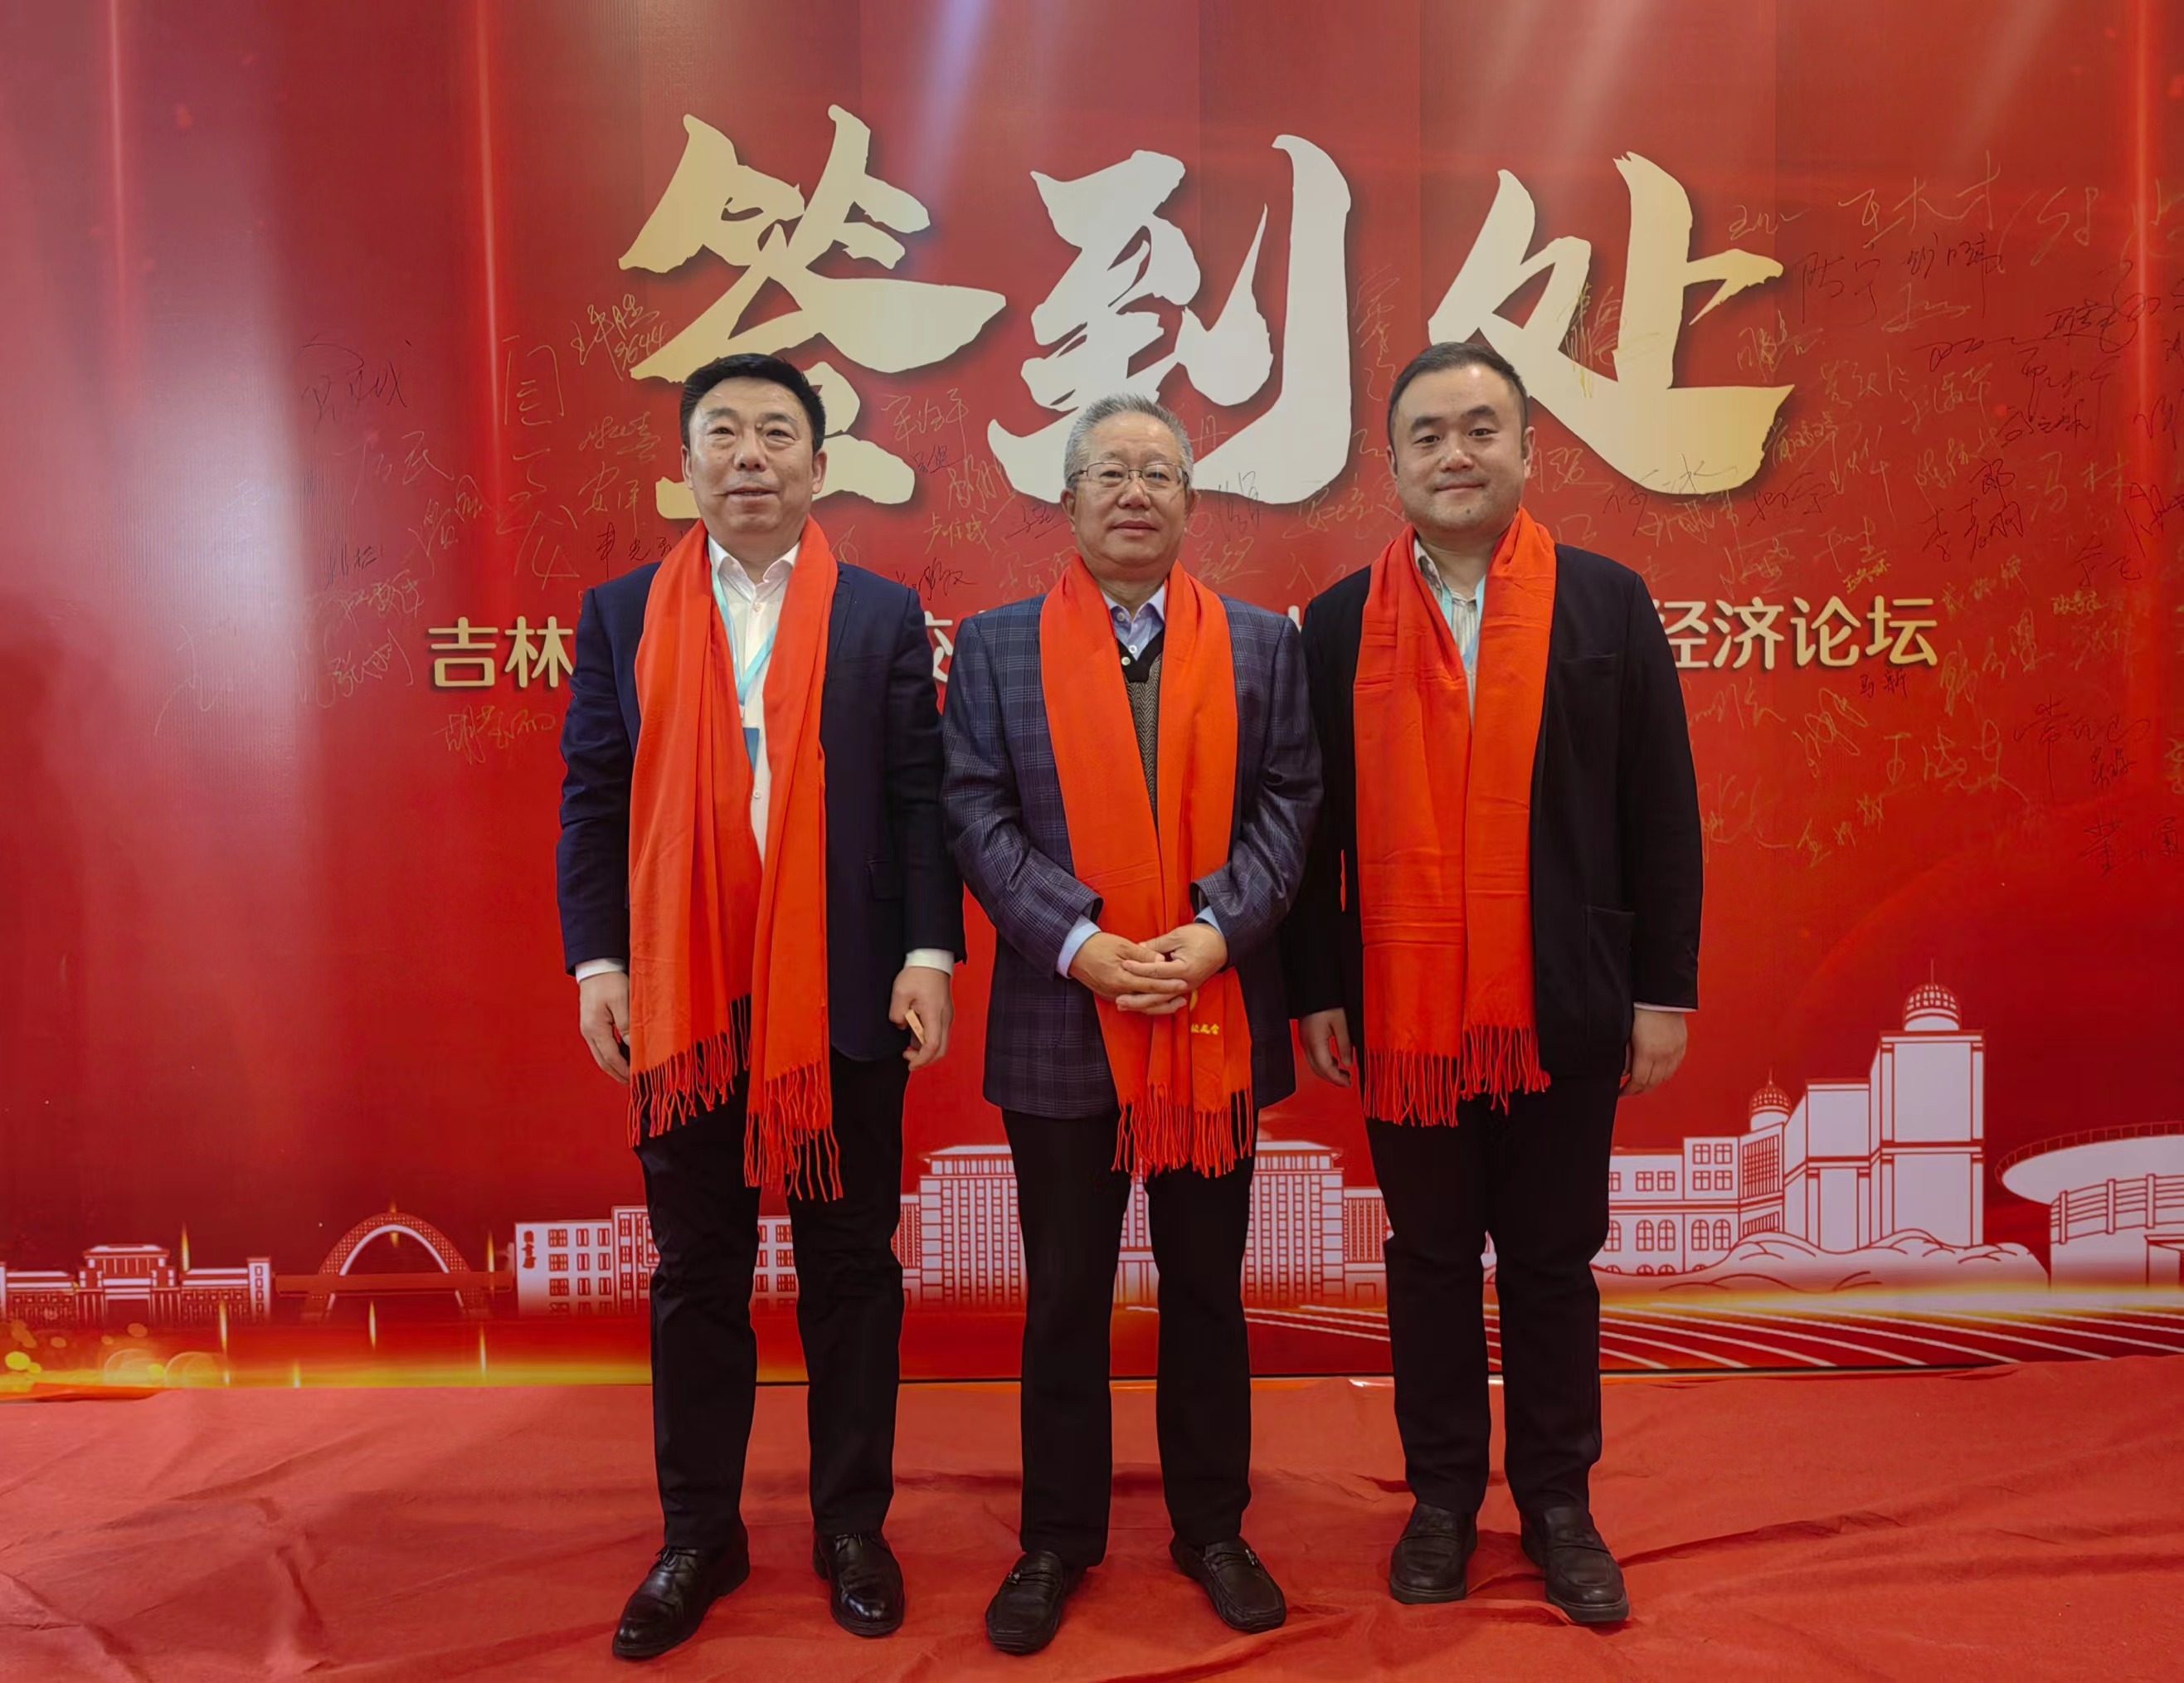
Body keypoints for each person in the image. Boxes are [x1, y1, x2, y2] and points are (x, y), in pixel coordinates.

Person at [1282, 342, 1701, 1625]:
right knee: (1427, 1259)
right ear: (1391, 462)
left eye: (1478, 429)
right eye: (1426, 434)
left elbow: (1659, 806)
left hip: (1562, 997)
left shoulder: (1604, 601)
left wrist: (1661, 989)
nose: (1453, 454)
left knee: (1551, 1261)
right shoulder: (1339, 622)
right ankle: (1443, 1501)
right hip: (1402, 1011)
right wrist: (1317, 986)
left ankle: (1559, 1505)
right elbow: (1312, 827)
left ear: (1525, 449)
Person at [555, 352, 961, 1660]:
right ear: (685, 467)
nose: (748, 455)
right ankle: (699, 1533)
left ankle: (851, 1526)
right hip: (685, 1000)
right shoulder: (620, 613)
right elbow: (593, 800)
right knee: (696, 1272)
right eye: (721, 432)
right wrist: (600, 965)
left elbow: (918, 796)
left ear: (817, 466)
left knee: (852, 1268)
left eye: (776, 433)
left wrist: (928, 953)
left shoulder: (880, 614)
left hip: (842, 990)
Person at [941, 394, 1320, 1656]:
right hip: (1061, 1017)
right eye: (1109, 472)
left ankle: (1213, 1526)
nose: (1135, 493)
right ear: (1068, 500)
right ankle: (1056, 1537)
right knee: (1064, 1296)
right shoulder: (995, 647)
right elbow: (975, 813)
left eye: (1160, 473)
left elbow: (1290, 806)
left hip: (1212, 1011)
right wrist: (1081, 944)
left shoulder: (1262, 644)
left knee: (1207, 1290)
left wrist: (1215, 934)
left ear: (1191, 502)